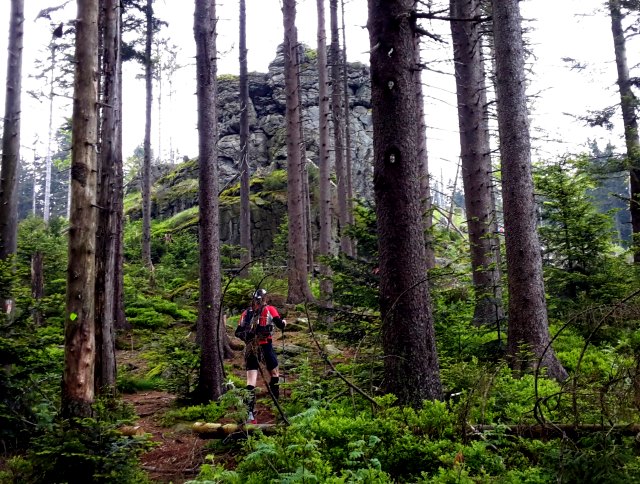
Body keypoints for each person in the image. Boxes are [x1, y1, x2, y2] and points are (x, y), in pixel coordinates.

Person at [235, 289, 286, 423]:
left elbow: (238, 332)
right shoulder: (270, 309)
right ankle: (276, 407)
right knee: (275, 373)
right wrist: (285, 322)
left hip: (250, 348)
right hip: (265, 346)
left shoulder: (246, 313)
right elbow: (280, 324)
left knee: (250, 380)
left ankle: (249, 414)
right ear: (265, 298)